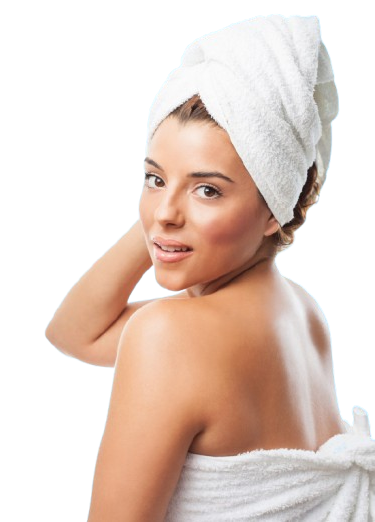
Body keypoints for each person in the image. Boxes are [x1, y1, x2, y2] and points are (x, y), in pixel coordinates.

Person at [45, 14, 374, 521]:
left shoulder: (169, 336)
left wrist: (167, 214)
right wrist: (166, 221)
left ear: (274, 209)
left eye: (208, 190)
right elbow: (74, 333)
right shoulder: (304, 311)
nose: (166, 211)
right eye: (154, 178)